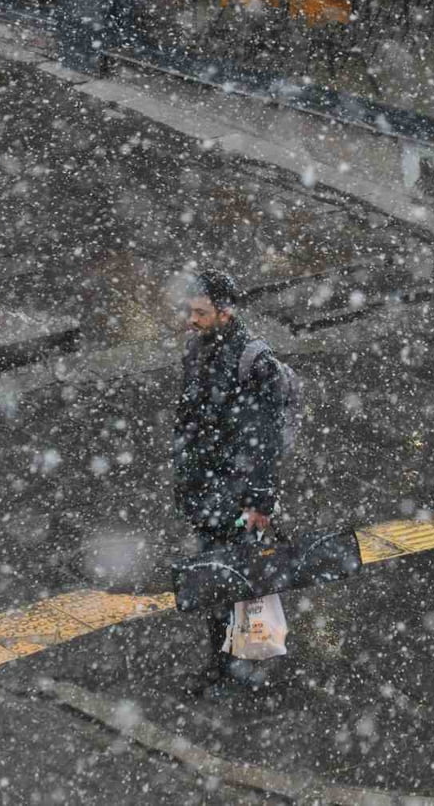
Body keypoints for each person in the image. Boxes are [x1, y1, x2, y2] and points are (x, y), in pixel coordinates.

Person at [172, 269, 285, 695]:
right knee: (217, 582)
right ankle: (225, 667)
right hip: (207, 491)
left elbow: (265, 439)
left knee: (238, 584)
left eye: (201, 312)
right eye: (190, 310)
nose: (192, 319)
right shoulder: (198, 349)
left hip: (235, 497)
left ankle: (242, 673)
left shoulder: (254, 362)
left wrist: (258, 502)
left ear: (225, 311)